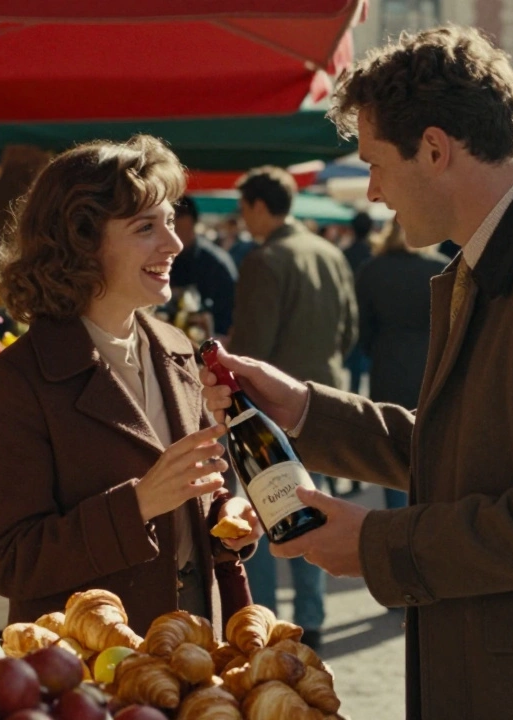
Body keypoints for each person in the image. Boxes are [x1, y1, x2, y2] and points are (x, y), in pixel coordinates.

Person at [202, 25, 513, 718]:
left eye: (377, 163)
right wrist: (303, 410)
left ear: (436, 150)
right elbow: (463, 452)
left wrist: (376, 544)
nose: (374, 190)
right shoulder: (508, 259)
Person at [0, 136, 262, 636]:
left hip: (195, 648)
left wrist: (225, 522)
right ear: (80, 241)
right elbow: (10, 562)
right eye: (146, 227)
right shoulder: (12, 383)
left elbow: (194, 502)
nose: (174, 243)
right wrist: (140, 503)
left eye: (170, 221)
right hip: (87, 669)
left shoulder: (176, 348)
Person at [229, 165, 358, 650]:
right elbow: (348, 329)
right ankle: (312, 616)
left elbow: (250, 349)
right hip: (327, 400)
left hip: (271, 411)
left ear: (261, 206)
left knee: (267, 514)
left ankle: (264, 619)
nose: (243, 220)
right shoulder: (328, 252)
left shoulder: (267, 259)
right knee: (317, 509)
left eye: (244, 209)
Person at [354, 219, 449, 510]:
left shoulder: (372, 270)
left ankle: (398, 518)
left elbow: (363, 327)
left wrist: (376, 350)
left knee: (393, 446)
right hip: (431, 364)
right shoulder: (441, 268)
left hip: (388, 362)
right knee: (432, 444)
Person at [170, 196, 238, 336]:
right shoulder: (160, 258)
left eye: (176, 224)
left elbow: (229, 316)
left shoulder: (216, 264)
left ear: (192, 222)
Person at [342, 211, 375, 396]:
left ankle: (353, 393)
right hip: (371, 312)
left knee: (354, 359)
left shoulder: (345, 254)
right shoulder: (375, 255)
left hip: (350, 311)